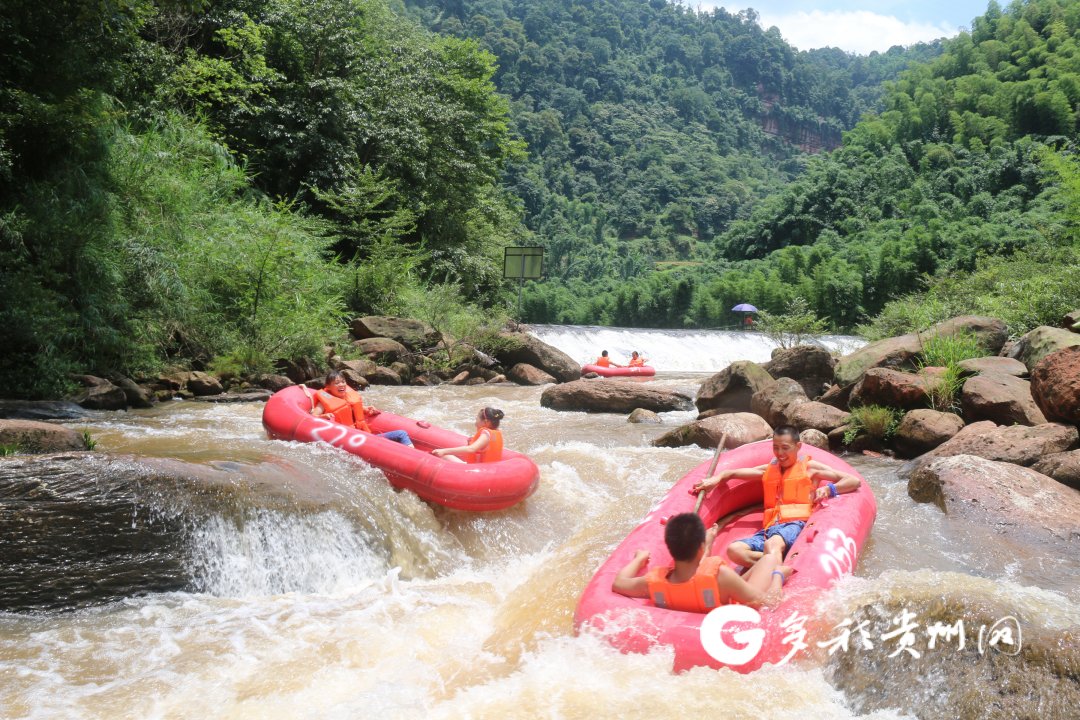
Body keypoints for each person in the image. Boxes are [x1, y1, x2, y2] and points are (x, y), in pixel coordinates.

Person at [692, 425, 860, 568]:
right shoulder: (770, 468)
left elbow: (853, 480)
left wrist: (830, 489)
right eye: (775, 447)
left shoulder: (810, 467)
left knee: (772, 545)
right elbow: (733, 472)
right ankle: (778, 562)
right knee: (734, 551)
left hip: (795, 525)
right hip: (770, 529)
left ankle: (772, 568)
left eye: (785, 448)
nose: (780, 453)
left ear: (798, 446)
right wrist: (717, 478)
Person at [611, 512, 790, 612]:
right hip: (731, 609)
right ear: (700, 548)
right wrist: (777, 576)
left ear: (669, 547)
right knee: (769, 559)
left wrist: (639, 559)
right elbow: (768, 603)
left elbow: (619, 583)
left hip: (704, 598)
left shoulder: (652, 583)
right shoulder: (722, 576)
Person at [311, 371, 413, 446]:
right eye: (337, 383)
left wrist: (368, 410)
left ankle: (412, 455)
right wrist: (325, 416)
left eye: (343, 382)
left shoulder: (348, 397)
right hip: (353, 440)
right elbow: (313, 416)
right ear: (328, 387)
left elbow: (352, 409)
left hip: (363, 436)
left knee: (401, 435)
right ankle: (413, 456)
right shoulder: (324, 402)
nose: (341, 384)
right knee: (401, 434)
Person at [431, 407, 504, 463]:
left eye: (477, 419)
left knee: (444, 455)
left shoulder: (486, 434)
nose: (475, 423)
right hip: (489, 470)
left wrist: (444, 451)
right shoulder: (496, 433)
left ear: (485, 422)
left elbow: (471, 449)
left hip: (478, 472)